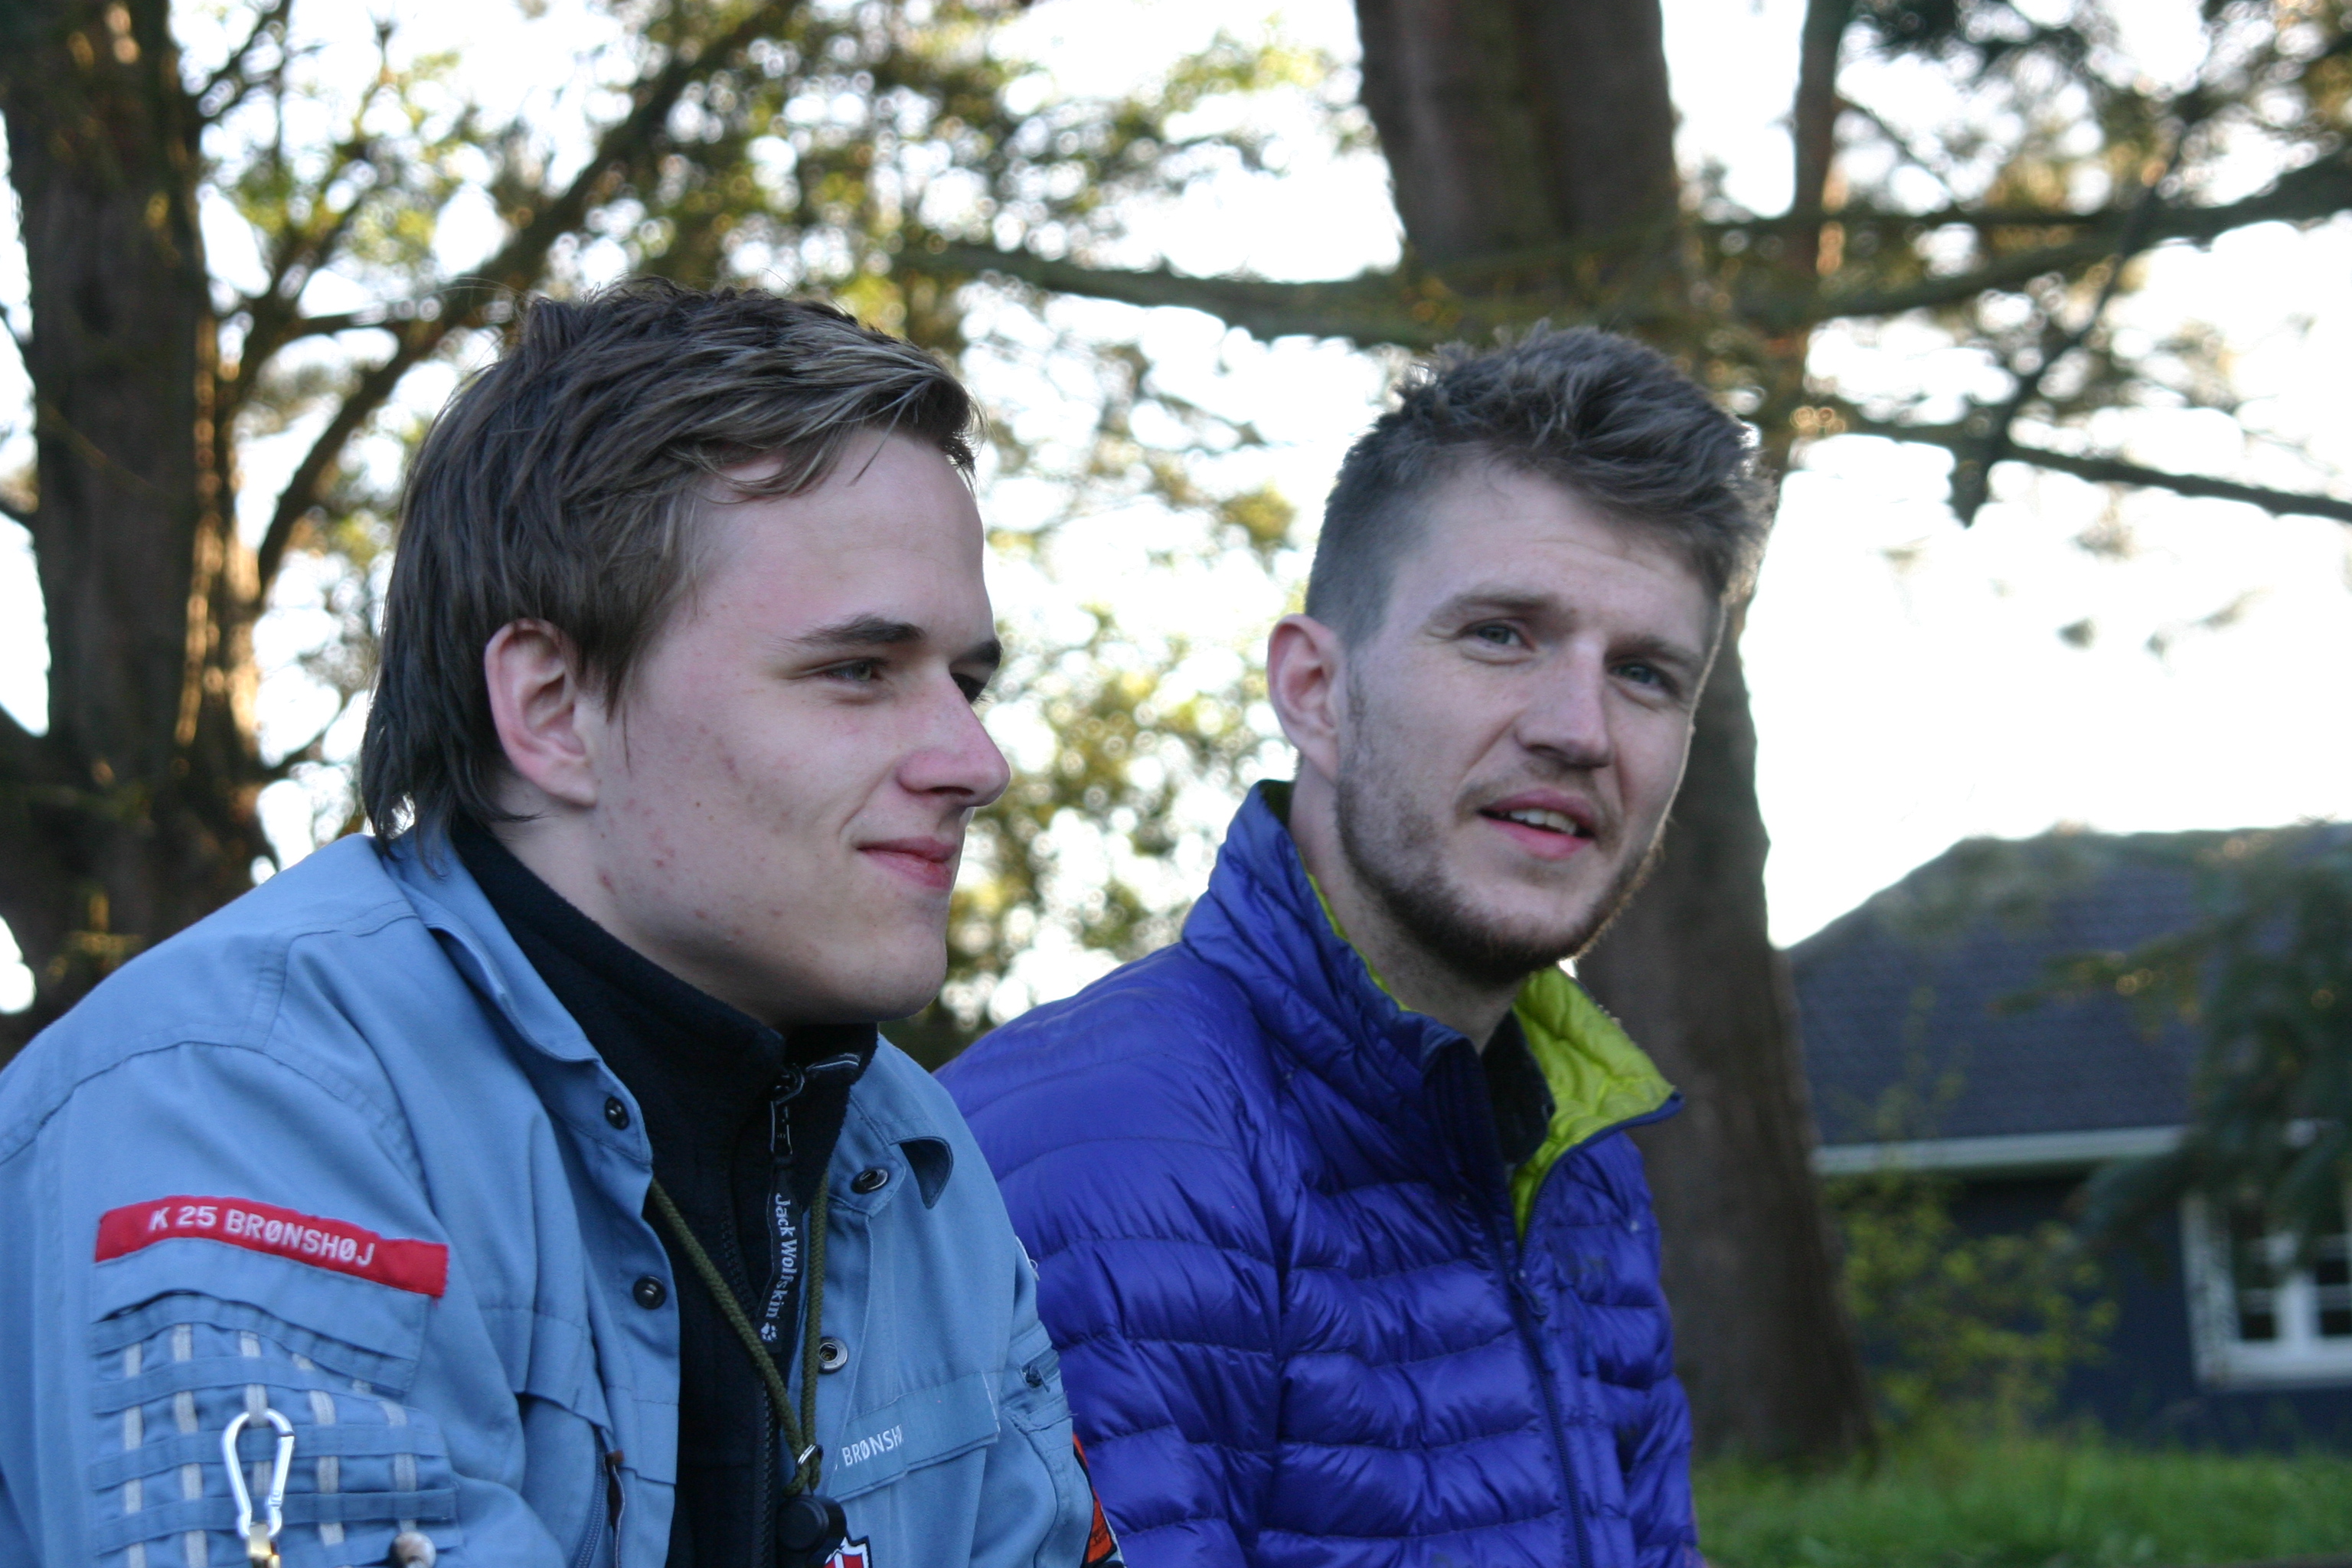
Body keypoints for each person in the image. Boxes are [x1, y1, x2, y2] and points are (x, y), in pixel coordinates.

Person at [0, 281, 1121, 1568]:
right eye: (857, 671)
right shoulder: (235, 1107)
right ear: (552, 709)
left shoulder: (901, 1147)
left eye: (967, 683)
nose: (976, 761)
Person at [942, 328, 1767, 1568]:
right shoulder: (1112, 1152)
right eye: (1502, 634)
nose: (1580, 730)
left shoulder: (1578, 1165)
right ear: (1314, 692)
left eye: (1647, 674)